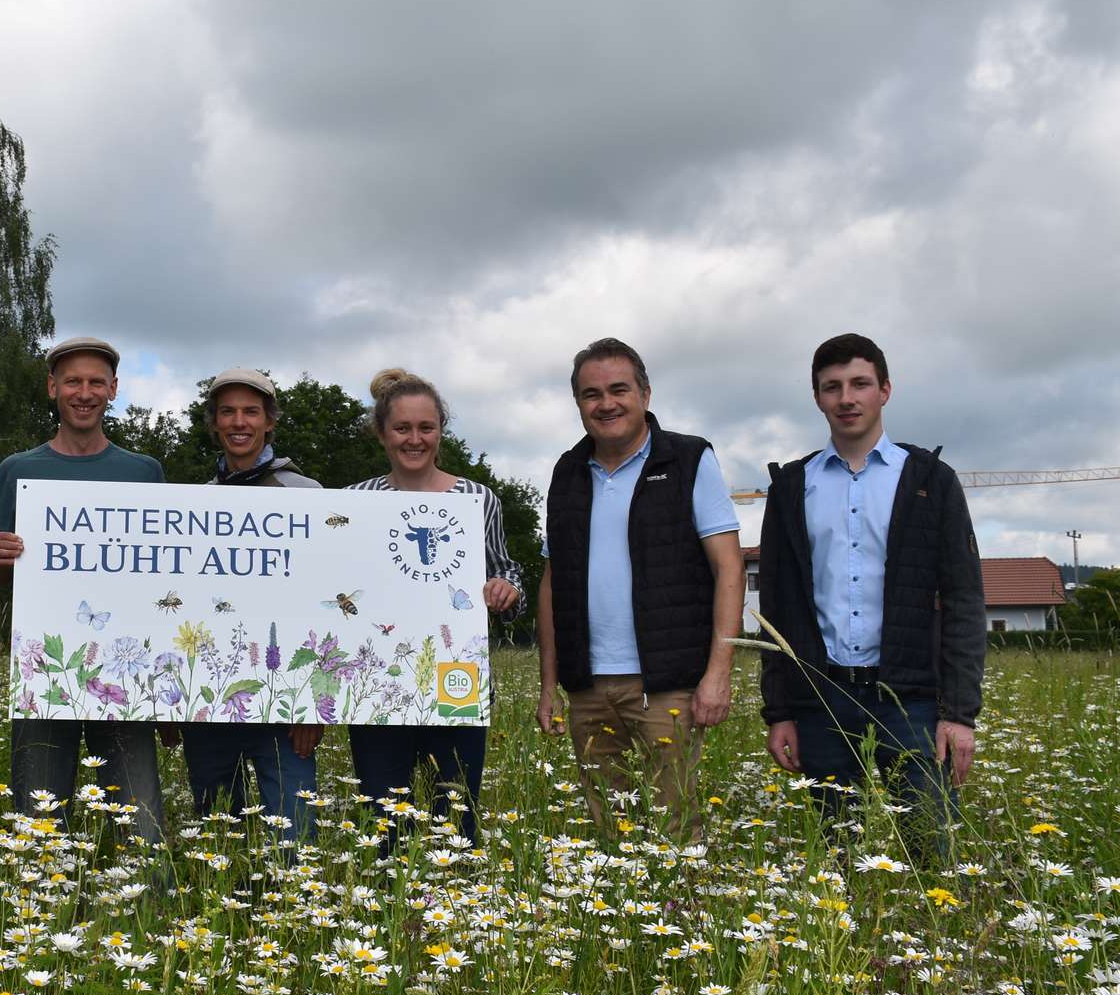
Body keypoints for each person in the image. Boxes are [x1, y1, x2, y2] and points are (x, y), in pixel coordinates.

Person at [758, 333, 983, 860]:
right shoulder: (791, 488)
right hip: (822, 699)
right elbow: (778, 608)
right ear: (817, 398)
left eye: (860, 383)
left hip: (914, 702)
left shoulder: (931, 480)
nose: (846, 398)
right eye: (832, 387)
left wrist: (960, 714)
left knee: (930, 852)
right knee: (837, 861)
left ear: (885, 390)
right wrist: (779, 712)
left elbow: (964, 601)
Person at [536, 338, 743, 841]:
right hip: (586, 687)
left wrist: (718, 674)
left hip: (667, 684)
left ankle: (683, 914)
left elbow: (730, 570)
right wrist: (548, 685)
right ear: (578, 405)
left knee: (676, 826)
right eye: (591, 394)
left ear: (645, 394)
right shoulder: (566, 472)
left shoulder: (690, 460)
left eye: (618, 389)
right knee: (608, 828)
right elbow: (551, 582)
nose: (606, 403)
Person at [0, 336, 169, 843]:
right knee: (38, 815)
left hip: (126, 669)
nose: (83, 392)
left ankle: (144, 905)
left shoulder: (145, 472)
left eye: (95, 382)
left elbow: (164, 575)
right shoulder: (18, 470)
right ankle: (38, 912)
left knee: (139, 816)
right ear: (52, 388)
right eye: (72, 381)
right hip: (45, 667)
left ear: (113, 390)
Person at [345, 368, 526, 843]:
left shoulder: (476, 498)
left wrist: (506, 592)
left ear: (441, 430)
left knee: (456, 814)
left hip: (455, 676)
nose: (415, 439)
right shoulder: (354, 501)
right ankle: (386, 908)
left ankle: (457, 906)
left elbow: (509, 570)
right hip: (377, 683)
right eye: (402, 428)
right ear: (382, 433)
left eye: (426, 427)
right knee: (383, 818)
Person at [160, 368, 323, 843]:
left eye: (251, 411)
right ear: (214, 422)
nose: (239, 422)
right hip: (208, 705)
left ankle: (295, 916)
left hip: (285, 708)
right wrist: (167, 702)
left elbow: (321, 605)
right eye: (227, 411)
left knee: (295, 837)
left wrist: (315, 706)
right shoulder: (195, 503)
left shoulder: (308, 494)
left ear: (269, 421)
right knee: (219, 840)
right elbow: (175, 606)